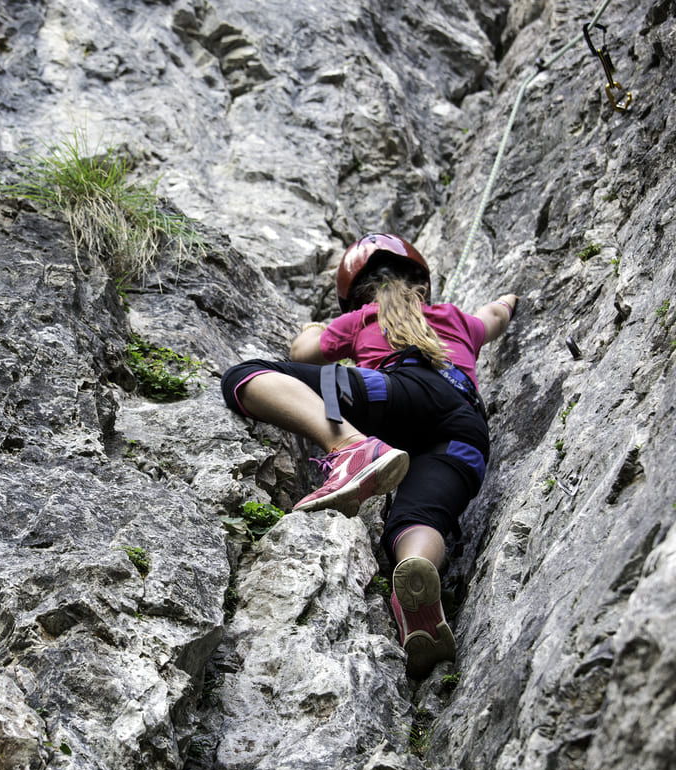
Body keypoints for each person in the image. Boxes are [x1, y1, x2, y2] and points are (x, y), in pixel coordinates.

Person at [220, 232, 517, 679]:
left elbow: (304, 353)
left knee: (245, 376)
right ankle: (416, 568)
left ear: (356, 293)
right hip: (466, 428)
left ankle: (350, 447)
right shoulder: (457, 319)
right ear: (420, 282)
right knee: (421, 517)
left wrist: (312, 329)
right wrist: (511, 300)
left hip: (394, 390)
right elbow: (495, 315)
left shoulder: (362, 318)